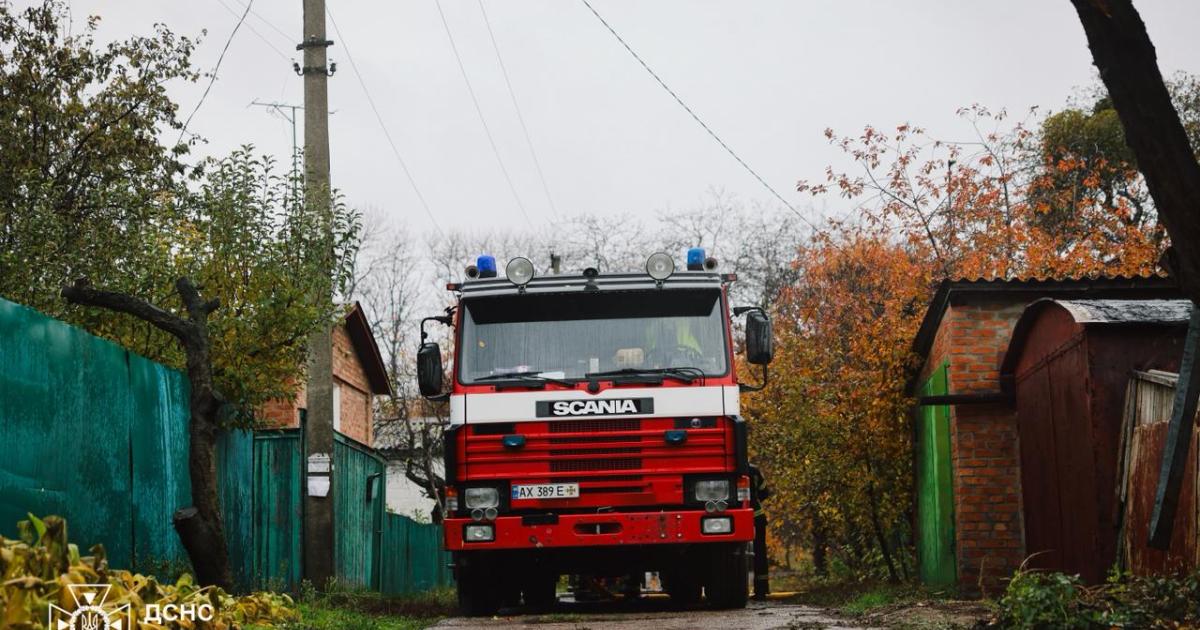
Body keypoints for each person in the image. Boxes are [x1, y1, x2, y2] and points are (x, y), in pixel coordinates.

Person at [749, 463, 771, 600]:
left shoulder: (730, 469)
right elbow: (764, 493)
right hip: (757, 517)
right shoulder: (754, 470)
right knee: (760, 552)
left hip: (736, 519)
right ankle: (761, 590)